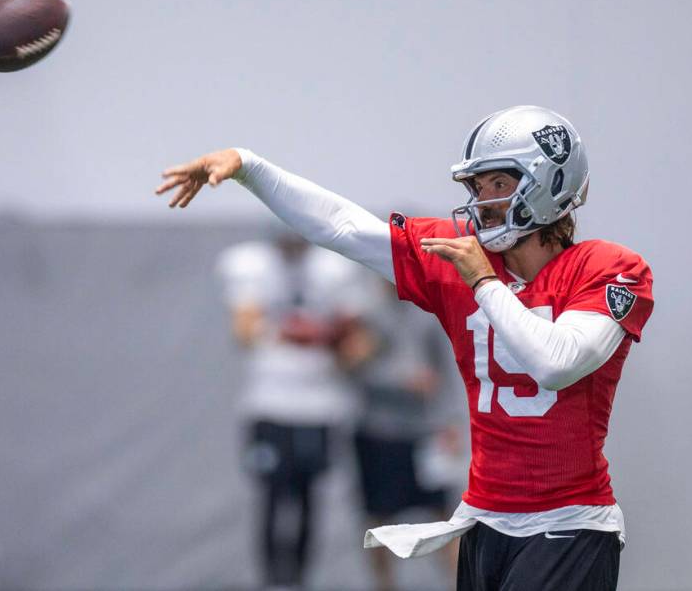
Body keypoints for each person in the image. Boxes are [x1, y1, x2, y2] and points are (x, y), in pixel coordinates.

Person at [156, 105, 654, 590]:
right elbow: (343, 227)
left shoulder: (610, 269)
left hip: (568, 523)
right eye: (477, 186)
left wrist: (483, 281)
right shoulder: (462, 255)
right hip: (486, 520)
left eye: (499, 184)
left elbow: (557, 364)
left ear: (550, 184)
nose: (483, 200)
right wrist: (250, 166)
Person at [216, 228, 360, 589]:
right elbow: (244, 332)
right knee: (271, 497)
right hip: (270, 406)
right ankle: (270, 580)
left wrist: (331, 335)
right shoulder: (251, 265)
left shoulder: (333, 270)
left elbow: (355, 341)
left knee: (311, 498)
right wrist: (289, 331)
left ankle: (300, 580)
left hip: (319, 407)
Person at [335, 278, 462, 591]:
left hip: (424, 433)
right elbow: (352, 368)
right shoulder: (365, 315)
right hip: (379, 435)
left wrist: (449, 423)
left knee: (445, 519)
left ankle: (458, 583)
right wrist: (403, 381)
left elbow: (446, 373)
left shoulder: (430, 314)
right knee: (378, 518)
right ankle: (384, 585)